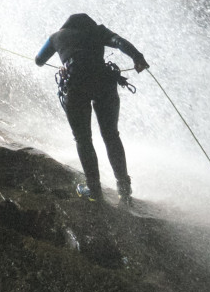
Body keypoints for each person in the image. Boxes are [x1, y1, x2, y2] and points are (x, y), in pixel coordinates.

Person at [35, 13, 149, 203]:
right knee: (111, 135)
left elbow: (38, 60)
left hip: (76, 85)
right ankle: (124, 189)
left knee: (83, 138)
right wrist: (137, 57)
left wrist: (65, 59)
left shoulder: (57, 37)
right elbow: (120, 42)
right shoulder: (97, 31)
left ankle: (94, 190)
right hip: (104, 82)